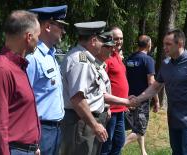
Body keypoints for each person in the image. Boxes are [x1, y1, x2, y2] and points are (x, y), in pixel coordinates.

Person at [135, 29, 187, 155]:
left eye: (168, 44)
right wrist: (137, 100)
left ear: (180, 44)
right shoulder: (166, 64)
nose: (164, 47)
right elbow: (155, 87)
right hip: (173, 119)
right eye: (164, 44)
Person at [61, 22, 136, 155]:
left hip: (85, 121)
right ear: (93, 40)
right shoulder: (81, 61)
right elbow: (78, 98)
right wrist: (94, 125)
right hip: (82, 122)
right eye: (102, 41)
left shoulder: (86, 59)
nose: (105, 46)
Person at [0, 10, 41, 155]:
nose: (38, 41)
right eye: (38, 36)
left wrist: (33, 145)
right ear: (29, 37)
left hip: (25, 150)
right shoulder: (1, 70)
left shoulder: (18, 67)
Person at [26, 5, 67, 155]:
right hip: (40, 131)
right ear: (48, 26)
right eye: (61, 26)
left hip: (55, 129)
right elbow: (22, 100)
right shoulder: (33, 58)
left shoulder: (50, 55)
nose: (63, 31)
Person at [124, 35, 160, 155]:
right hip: (142, 99)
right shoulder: (148, 60)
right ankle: (118, 146)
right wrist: (157, 100)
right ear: (149, 45)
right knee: (140, 129)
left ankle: (143, 152)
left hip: (129, 98)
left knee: (138, 125)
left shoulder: (129, 58)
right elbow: (151, 82)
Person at [101, 26, 128, 155]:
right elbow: (102, 84)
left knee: (119, 141)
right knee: (107, 144)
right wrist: (107, 107)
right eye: (116, 38)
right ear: (109, 39)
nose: (119, 41)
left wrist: (125, 102)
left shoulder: (117, 56)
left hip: (121, 109)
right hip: (110, 110)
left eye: (121, 38)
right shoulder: (107, 57)